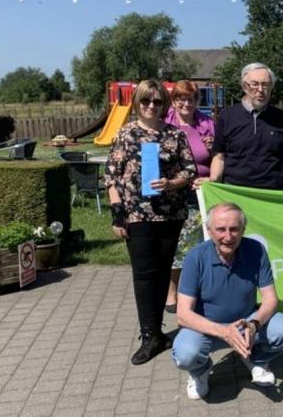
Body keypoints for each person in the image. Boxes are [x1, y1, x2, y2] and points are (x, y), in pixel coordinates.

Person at [105, 79, 197, 365]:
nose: (151, 106)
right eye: (146, 101)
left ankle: (158, 331)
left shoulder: (174, 135)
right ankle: (149, 335)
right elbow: (112, 176)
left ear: (163, 105)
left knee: (162, 272)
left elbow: (190, 170)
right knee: (144, 276)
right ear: (138, 103)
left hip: (170, 214)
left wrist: (170, 183)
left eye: (157, 102)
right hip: (137, 216)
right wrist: (117, 213)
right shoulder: (126, 134)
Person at [171, 203, 283, 400]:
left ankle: (254, 359)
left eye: (234, 229)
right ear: (209, 230)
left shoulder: (256, 250)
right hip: (207, 327)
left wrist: (254, 325)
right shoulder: (195, 257)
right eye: (220, 229)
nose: (228, 236)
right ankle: (200, 371)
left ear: (243, 230)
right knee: (185, 355)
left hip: (245, 322)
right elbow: (183, 315)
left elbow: (271, 299)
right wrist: (224, 332)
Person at [204, 63, 283, 190]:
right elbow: (219, 157)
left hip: (274, 194)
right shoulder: (227, 116)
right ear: (244, 87)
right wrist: (212, 180)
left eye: (265, 84)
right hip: (237, 193)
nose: (260, 89)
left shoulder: (280, 117)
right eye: (254, 84)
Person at [164, 80, 215, 314]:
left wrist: (213, 148)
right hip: (175, 192)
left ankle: (203, 292)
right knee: (179, 245)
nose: (186, 103)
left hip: (203, 191)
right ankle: (171, 292)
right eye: (181, 99)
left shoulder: (207, 124)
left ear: (197, 101)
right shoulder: (165, 123)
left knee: (204, 244)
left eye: (191, 99)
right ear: (174, 101)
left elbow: (221, 155)